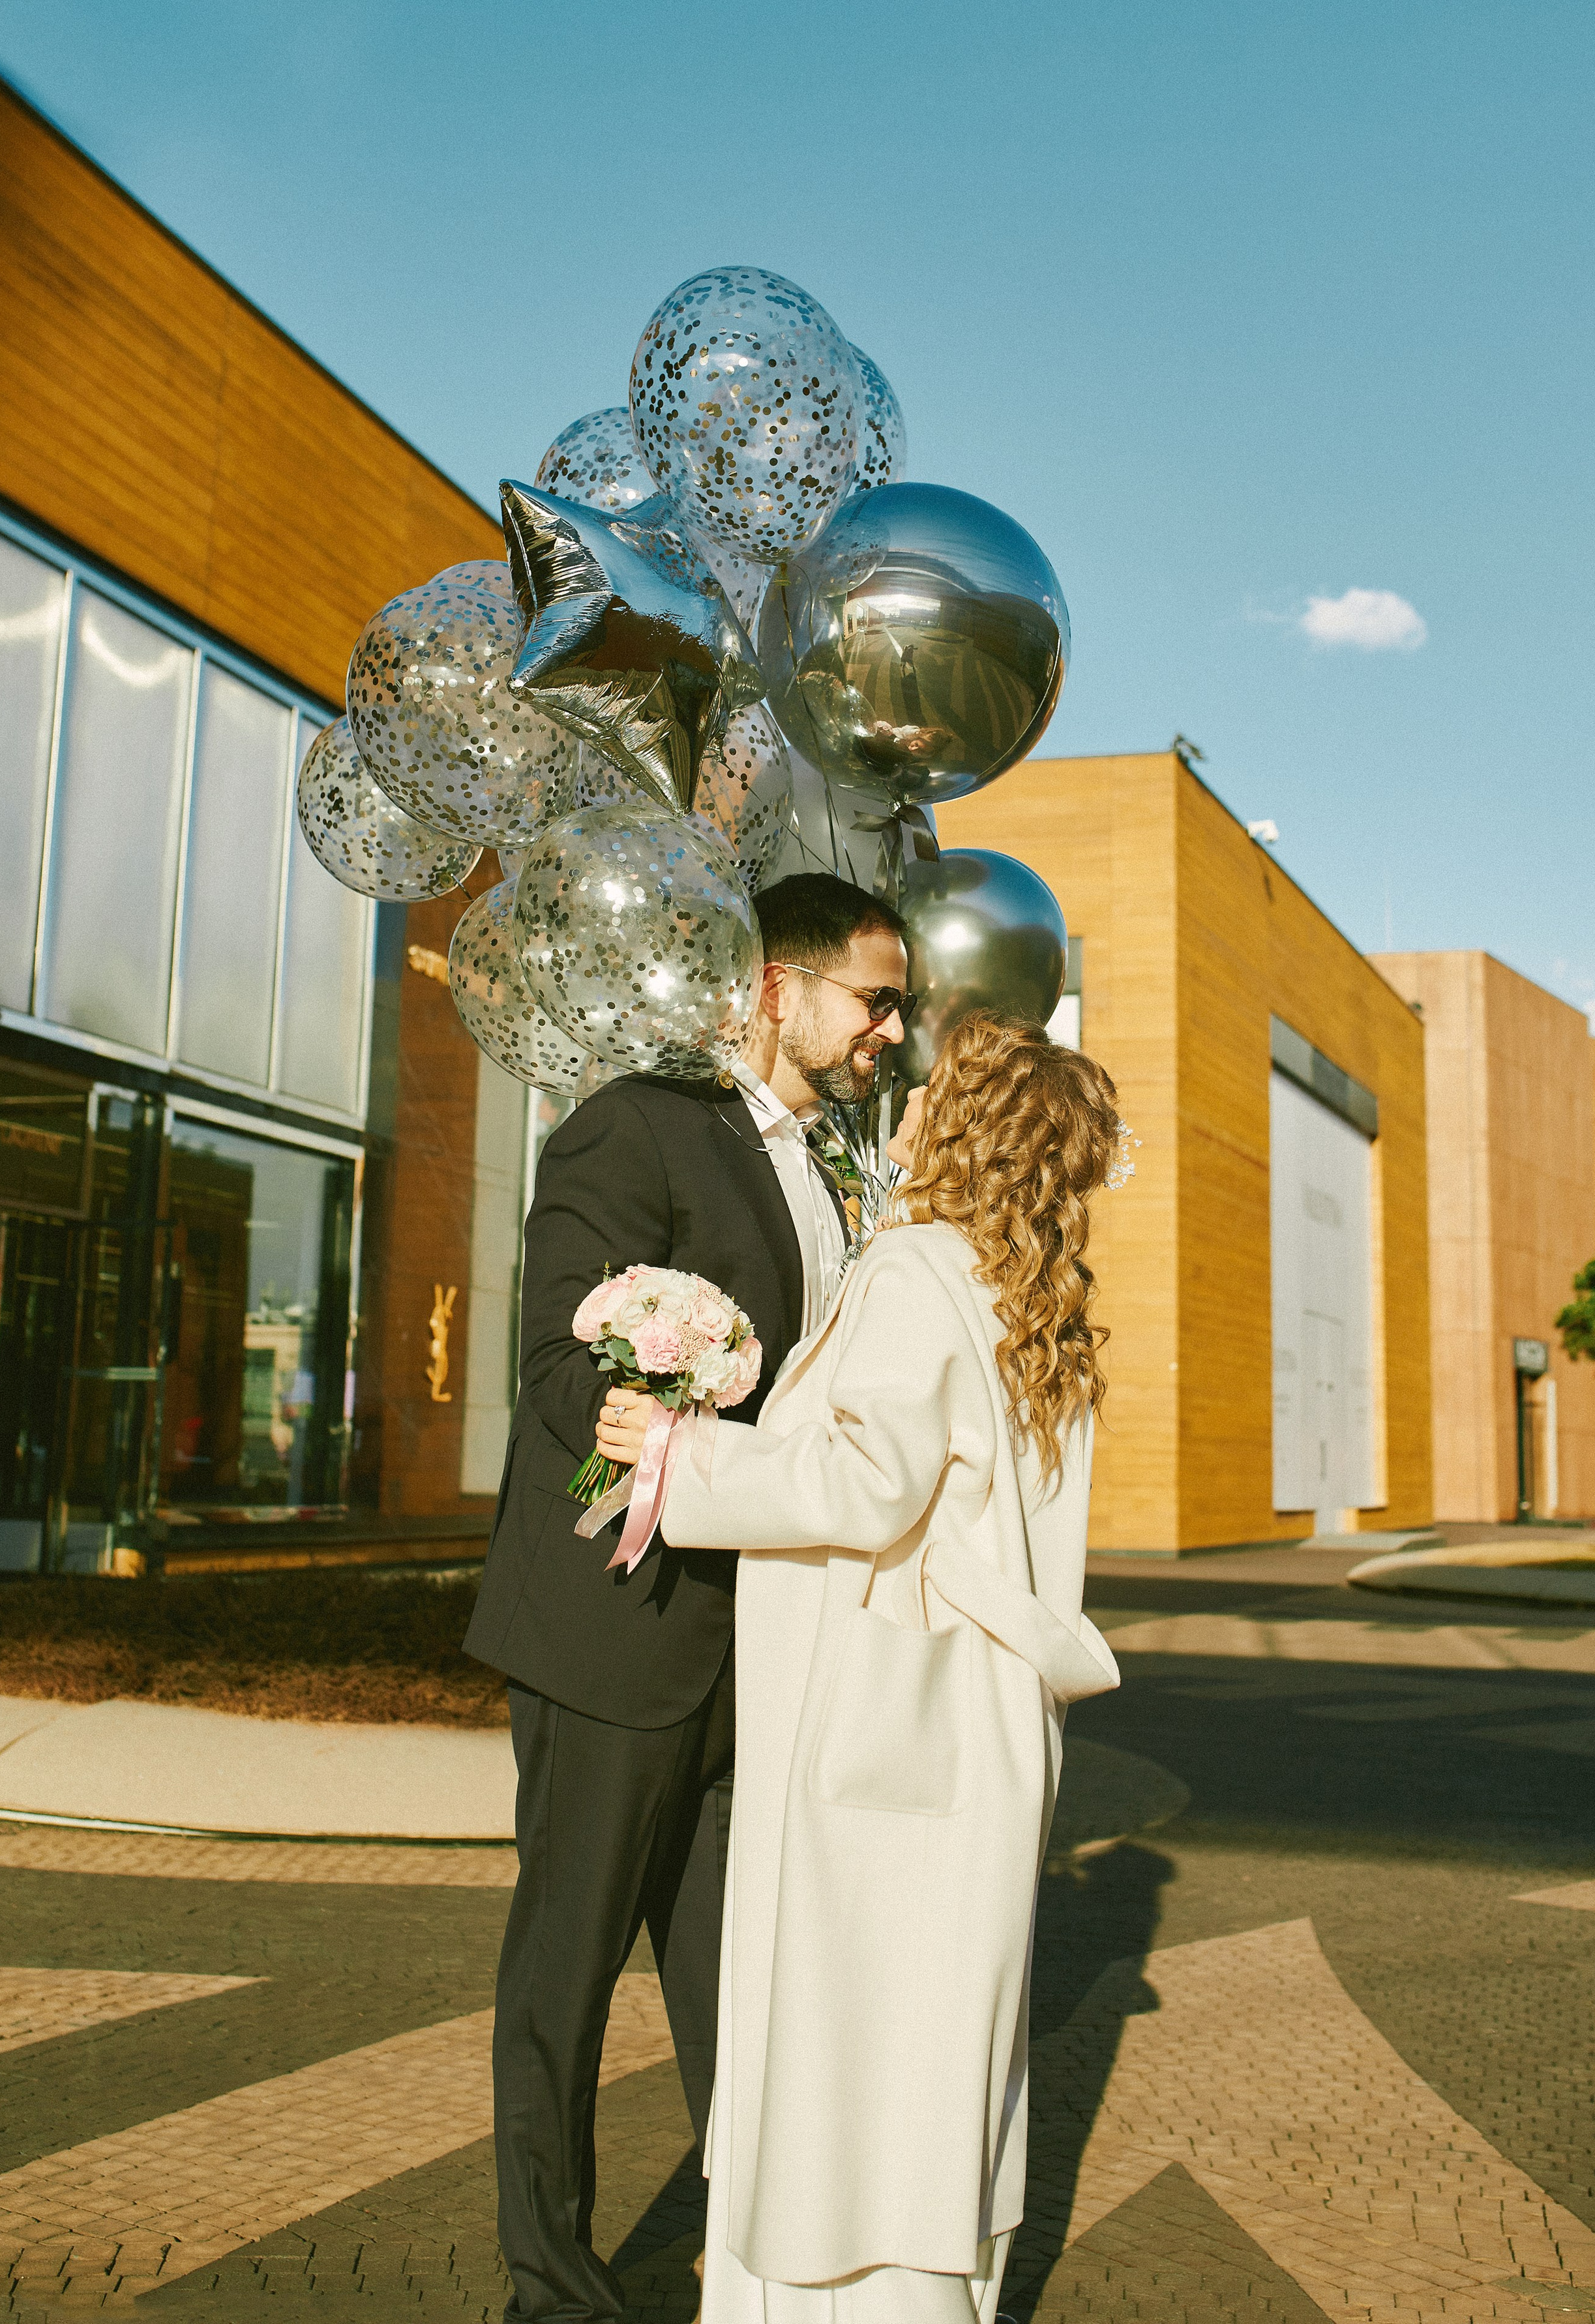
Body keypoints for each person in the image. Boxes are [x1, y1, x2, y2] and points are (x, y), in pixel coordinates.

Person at [595, 1011, 1125, 2324]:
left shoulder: (916, 1272)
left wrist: (675, 1453)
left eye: (928, 1093)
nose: (901, 1105)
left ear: (962, 1127)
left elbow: (863, 1479)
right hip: (985, 1724)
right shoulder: (1038, 1303)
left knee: (851, 2052)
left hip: (884, 1733)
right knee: (938, 2054)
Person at [464, 873, 914, 2324]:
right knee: (568, 1974)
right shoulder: (637, 1122)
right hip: (617, 1629)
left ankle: (765, 2261)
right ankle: (552, 2284)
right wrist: (622, 1402)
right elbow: (549, 1353)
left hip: (757, 1643)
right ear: (777, 990)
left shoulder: (842, 1164)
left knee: (741, 1980)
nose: (889, 1033)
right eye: (874, 998)